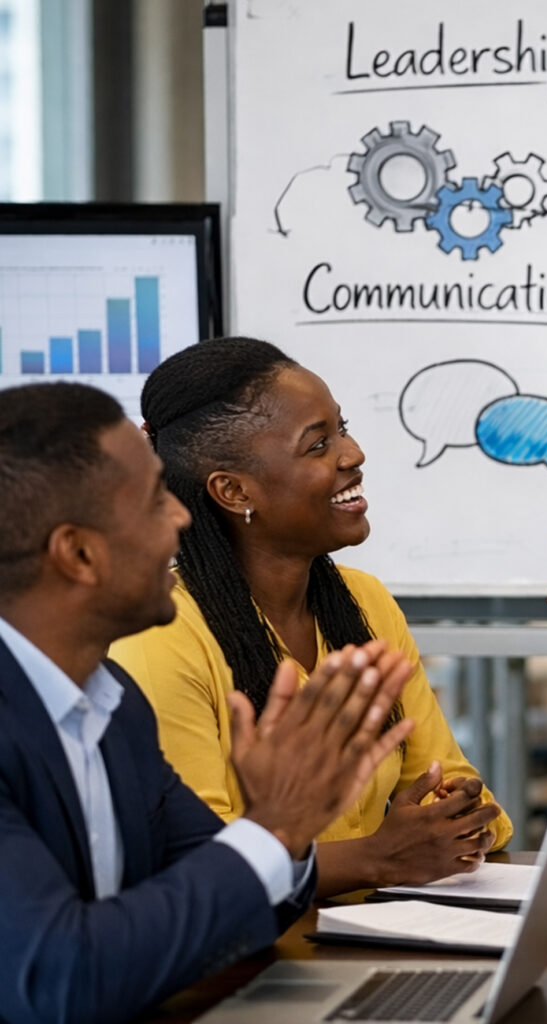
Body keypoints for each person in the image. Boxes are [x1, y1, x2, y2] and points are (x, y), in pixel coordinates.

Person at [0, 382, 414, 1024]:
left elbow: (230, 899)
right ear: (79, 554)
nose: (181, 517)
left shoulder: (113, 707)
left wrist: (286, 826)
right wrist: (275, 826)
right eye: (152, 501)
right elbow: (62, 978)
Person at [109, 337, 512, 895]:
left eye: (342, 429)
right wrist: (378, 858)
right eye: (318, 444)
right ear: (233, 490)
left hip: (378, 928)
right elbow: (197, 866)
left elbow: (449, 777)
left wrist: (459, 817)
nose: (353, 454)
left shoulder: (366, 602)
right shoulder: (159, 636)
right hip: (253, 946)